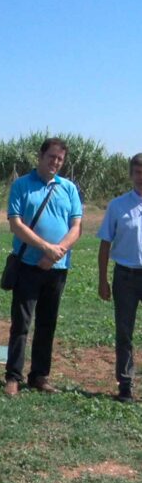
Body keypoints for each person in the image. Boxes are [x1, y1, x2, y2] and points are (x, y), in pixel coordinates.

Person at [4, 138, 82, 396]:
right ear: (41, 156)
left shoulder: (68, 188)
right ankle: (13, 376)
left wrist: (56, 253)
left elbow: (76, 227)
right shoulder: (22, 185)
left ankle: (39, 376)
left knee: (47, 323)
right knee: (21, 323)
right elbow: (16, 224)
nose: (55, 163)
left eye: (59, 159)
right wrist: (45, 248)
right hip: (28, 265)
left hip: (57, 268)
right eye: (51, 157)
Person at [97, 153, 142, 403]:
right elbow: (105, 244)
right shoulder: (118, 205)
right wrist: (103, 279)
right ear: (131, 174)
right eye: (137, 171)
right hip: (125, 276)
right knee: (124, 332)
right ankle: (125, 384)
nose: (141, 176)